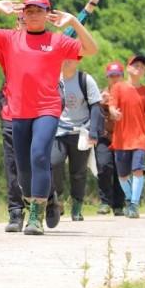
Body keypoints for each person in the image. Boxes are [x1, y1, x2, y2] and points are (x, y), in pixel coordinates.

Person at [0, 0, 100, 232]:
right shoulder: (9, 39)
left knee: (39, 155)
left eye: (40, 10)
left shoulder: (58, 41)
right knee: (23, 168)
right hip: (18, 111)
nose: (34, 14)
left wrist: (74, 19)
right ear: (22, 14)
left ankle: (35, 215)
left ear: (48, 14)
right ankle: (36, 200)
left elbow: (91, 49)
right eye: (29, 10)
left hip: (47, 109)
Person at [50, 61, 103, 222]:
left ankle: (77, 206)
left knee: (78, 172)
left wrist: (93, 132)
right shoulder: (53, 79)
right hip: (59, 130)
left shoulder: (85, 80)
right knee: (54, 163)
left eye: (71, 57)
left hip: (81, 132)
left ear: (77, 59)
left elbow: (96, 106)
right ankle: (57, 198)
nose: (66, 61)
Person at [107, 53, 145, 219]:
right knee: (122, 175)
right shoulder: (118, 87)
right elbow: (112, 106)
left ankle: (134, 204)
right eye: (135, 65)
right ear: (128, 68)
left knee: (138, 170)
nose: (139, 68)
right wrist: (113, 112)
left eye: (142, 66)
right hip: (121, 138)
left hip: (140, 138)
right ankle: (129, 199)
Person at [94, 60, 129, 216]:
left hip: (123, 138)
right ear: (107, 78)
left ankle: (118, 205)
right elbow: (92, 114)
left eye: (117, 76)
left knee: (121, 171)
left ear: (122, 77)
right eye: (111, 76)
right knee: (103, 167)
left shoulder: (128, 95)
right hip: (104, 136)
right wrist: (99, 104)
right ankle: (104, 202)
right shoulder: (101, 94)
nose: (114, 79)